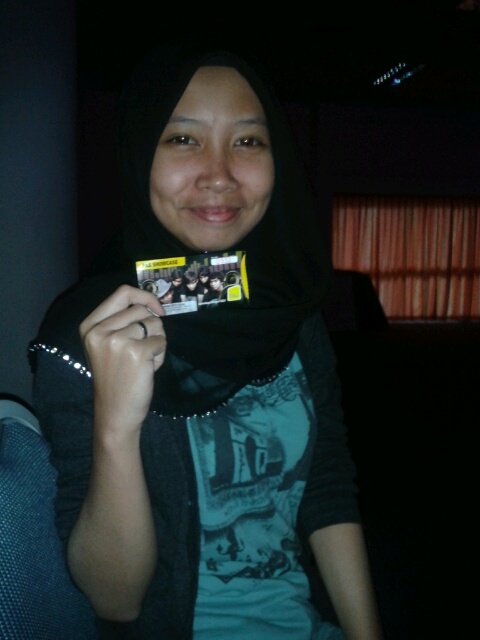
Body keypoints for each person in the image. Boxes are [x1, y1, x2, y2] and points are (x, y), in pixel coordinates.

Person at [30, 40, 385, 640]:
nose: (219, 175)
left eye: (248, 141)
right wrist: (116, 427)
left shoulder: (288, 308)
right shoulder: (87, 334)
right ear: (139, 152)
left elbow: (326, 484)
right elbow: (115, 601)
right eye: (182, 138)